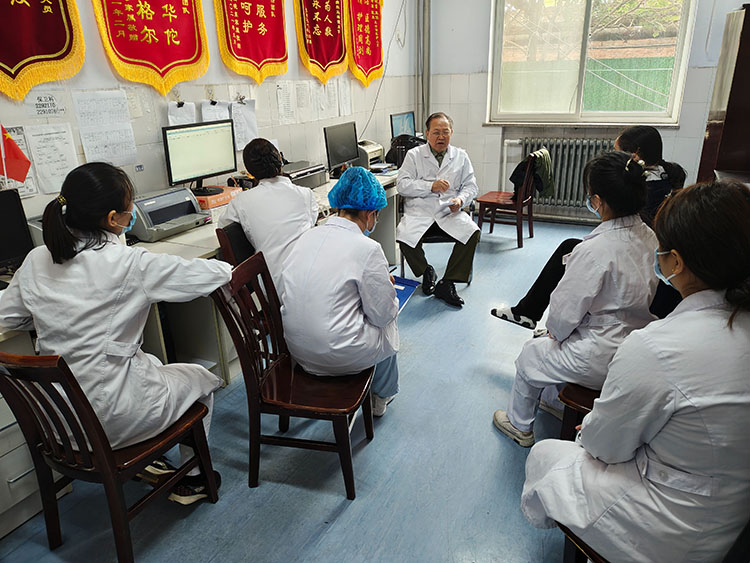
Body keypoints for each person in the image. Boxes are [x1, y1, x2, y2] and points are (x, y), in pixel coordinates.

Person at [521, 180, 750, 562]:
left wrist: (592, 426)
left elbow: (604, 446)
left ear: (675, 262)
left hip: (670, 532)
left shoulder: (659, 347)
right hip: (731, 518)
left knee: (546, 455)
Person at [0, 163, 232, 505]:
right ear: (112, 219)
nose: (131, 213)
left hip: (62, 426)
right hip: (114, 418)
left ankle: (149, 456)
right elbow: (217, 274)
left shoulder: (36, 260)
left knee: (154, 366)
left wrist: (50, 311)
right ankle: (193, 480)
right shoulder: (131, 263)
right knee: (200, 379)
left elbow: (9, 316)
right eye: (128, 209)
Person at [493, 151, 658, 447]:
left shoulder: (594, 250)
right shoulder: (649, 236)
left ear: (597, 201)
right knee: (558, 342)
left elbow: (563, 313)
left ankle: (519, 426)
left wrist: (555, 333)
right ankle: (555, 400)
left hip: (600, 355)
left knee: (532, 353)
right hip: (635, 344)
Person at [491, 125, 685, 329]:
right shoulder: (662, 179)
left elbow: (560, 322)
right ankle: (528, 311)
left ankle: (529, 312)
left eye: (617, 152)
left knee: (577, 254)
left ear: (634, 156)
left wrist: (555, 333)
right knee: (573, 249)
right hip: (645, 260)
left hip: (648, 281)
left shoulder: (645, 190)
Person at [280, 167, 399, 416]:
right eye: (375, 216)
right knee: (389, 319)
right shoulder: (368, 248)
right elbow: (383, 315)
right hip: (339, 355)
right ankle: (381, 398)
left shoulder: (306, 237)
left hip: (297, 350)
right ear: (370, 213)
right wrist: (386, 287)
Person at [396, 112, 480, 308]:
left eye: (445, 132)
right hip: (420, 212)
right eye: (436, 132)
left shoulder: (460, 156)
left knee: (472, 233)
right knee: (404, 237)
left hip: (448, 212)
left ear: (451, 132)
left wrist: (461, 199)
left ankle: (447, 282)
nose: (441, 137)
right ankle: (426, 271)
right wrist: (430, 186)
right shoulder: (414, 155)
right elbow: (402, 185)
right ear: (427, 133)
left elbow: (471, 186)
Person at [219, 138, 318, 293]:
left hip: (275, 288)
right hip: (314, 279)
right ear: (280, 160)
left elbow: (223, 228)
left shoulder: (242, 201)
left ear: (250, 171)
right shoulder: (305, 194)